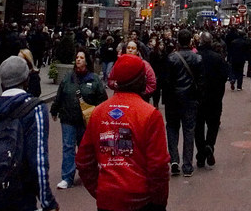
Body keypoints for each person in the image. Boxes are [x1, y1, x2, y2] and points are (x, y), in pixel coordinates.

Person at [77, 53, 169, 211]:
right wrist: (159, 201)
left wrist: (99, 190)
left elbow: (84, 160)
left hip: (108, 199)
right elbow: (158, 166)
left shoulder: (99, 112)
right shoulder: (150, 115)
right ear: (138, 80)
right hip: (141, 200)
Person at [0, 54, 58, 211]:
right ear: (26, 80)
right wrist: (48, 202)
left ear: (2, 83)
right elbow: (38, 161)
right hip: (19, 196)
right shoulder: (35, 109)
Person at [50, 48, 107, 189]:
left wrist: (98, 113)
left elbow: (102, 99)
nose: (78, 59)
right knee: (68, 147)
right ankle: (67, 177)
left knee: (85, 148)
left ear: (86, 61)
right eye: (77, 57)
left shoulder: (94, 79)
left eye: (81, 57)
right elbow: (60, 94)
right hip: (68, 118)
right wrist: (55, 109)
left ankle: (87, 173)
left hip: (85, 121)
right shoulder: (68, 78)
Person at [163, 28, 204, 176]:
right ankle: (187, 165)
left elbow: (166, 81)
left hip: (173, 99)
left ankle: (174, 159)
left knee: (172, 128)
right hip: (190, 99)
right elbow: (201, 81)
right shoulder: (197, 59)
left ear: (178, 41)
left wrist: (166, 99)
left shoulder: (171, 58)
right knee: (189, 130)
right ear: (190, 41)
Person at [194, 31, 228, 168]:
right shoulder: (218, 58)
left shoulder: (196, 57)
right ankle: (209, 145)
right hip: (214, 97)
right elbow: (224, 76)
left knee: (198, 127)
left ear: (200, 42)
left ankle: (201, 153)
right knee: (213, 125)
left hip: (198, 97)